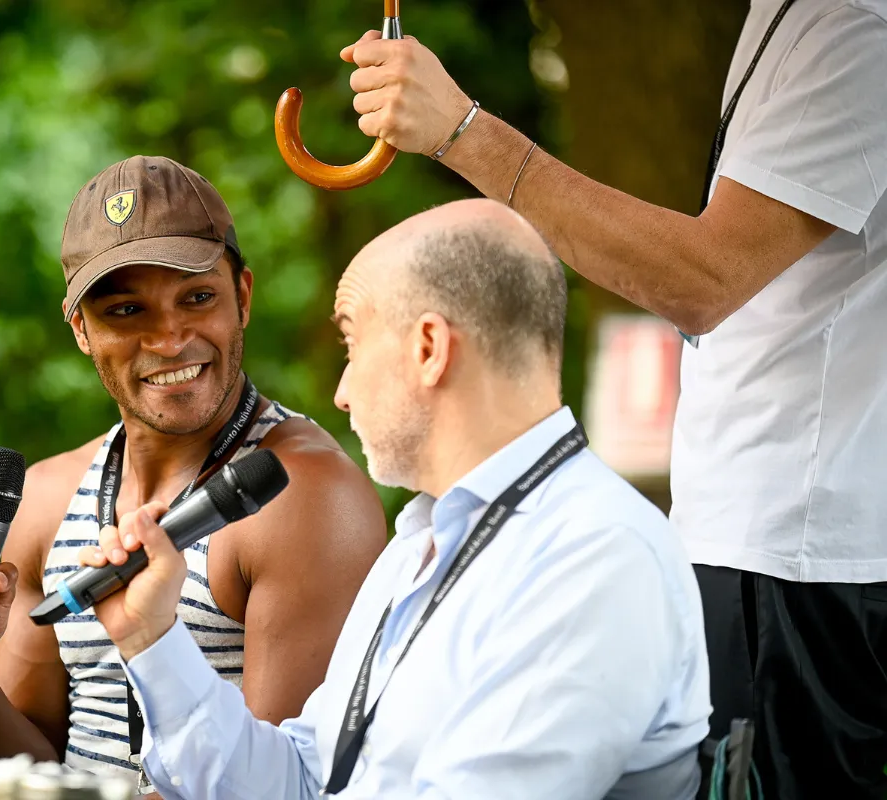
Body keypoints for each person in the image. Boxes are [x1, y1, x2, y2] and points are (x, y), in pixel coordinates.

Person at [338, 4, 887, 796]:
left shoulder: (853, 28)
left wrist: (464, 131)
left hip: (789, 563)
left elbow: (704, 280)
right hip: (766, 554)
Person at [78, 198, 711, 799]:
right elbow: (299, 782)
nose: (342, 392)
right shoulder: (418, 545)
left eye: (352, 343)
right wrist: (153, 638)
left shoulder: (594, 554)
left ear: (428, 349)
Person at [0, 156, 387, 793]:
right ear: (81, 329)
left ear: (242, 296)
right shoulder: (48, 498)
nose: (168, 338)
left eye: (197, 297)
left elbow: (275, 788)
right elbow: (20, 777)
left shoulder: (306, 496)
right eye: (127, 311)